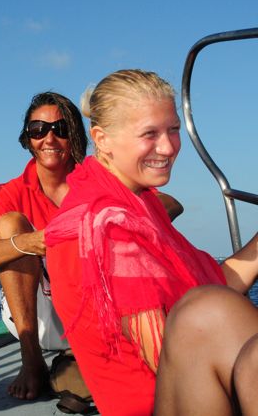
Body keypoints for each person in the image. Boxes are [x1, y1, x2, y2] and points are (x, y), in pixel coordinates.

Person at [45, 69, 258, 416]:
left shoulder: (137, 202)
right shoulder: (107, 228)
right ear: (102, 139)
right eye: (150, 133)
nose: (168, 147)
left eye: (173, 129)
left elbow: (215, 285)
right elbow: (175, 357)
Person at [0, 91, 89, 400]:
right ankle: (31, 359)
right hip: (39, 316)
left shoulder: (95, 180)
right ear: (28, 138)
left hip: (90, 312)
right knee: (10, 225)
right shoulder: (10, 191)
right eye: (38, 129)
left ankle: (81, 359)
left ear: (74, 135)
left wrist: (102, 225)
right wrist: (31, 241)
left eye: (60, 129)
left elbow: (168, 204)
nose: (49, 138)